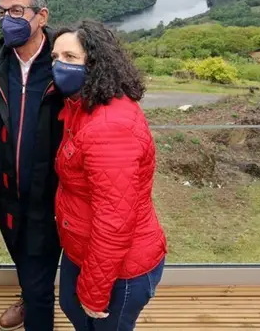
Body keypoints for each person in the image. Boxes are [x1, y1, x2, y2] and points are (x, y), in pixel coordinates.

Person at [51, 20, 167, 331]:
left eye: (70, 57)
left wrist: (94, 291)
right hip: (88, 250)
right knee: (72, 308)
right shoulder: (83, 105)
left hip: (120, 269)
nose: (59, 65)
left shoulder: (109, 127)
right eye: (55, 57)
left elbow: (114, 220)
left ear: (96, 63)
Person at [0, 0, 63, 331]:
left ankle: (36, 301)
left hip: (52, 196)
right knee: (23, 258)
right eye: (2, 12)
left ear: (41, 16)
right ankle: (30, 295)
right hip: (6, 196)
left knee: (39, 271)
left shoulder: (66, 65)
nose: (7, 20)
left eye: (16, 11)